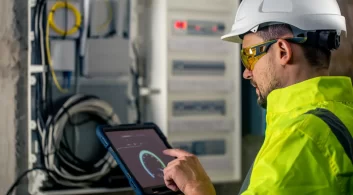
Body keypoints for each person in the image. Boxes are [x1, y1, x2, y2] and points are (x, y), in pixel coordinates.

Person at [162, 0, 353, 194]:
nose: (246, 72)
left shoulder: (300, 140)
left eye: (249, 56)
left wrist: (195, 187)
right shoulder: (343, 113)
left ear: (283, 51)